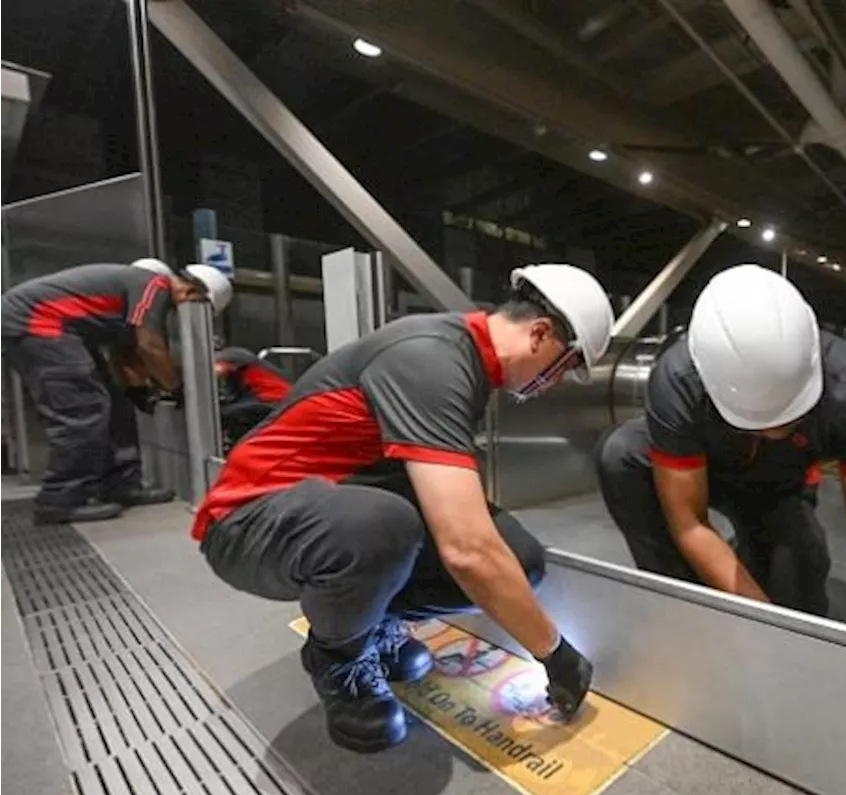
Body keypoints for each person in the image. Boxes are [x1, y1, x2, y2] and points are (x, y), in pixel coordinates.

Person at [192, 264, 615, 753]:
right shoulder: (433, 361)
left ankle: (372, 623)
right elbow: (467, 549)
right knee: (385, 527)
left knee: (519, 558)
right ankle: (338, 655)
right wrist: (554, 652)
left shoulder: (465, 362)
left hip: (324, 502)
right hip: (246, 520)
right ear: (540, 334)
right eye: (565, 365)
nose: (555, 382)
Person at [595, 264, 846, 632]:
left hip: (779, 486)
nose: (774, 429)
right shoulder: (677, 381)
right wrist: (760, 623)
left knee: (798, 586)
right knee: (620, 452)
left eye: (788, 416)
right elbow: (690, 523)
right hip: (701, 470)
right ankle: (682, 609)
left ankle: (753, 549)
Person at [0, 259, 233, 524]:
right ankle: (59, 500)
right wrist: (177, 387)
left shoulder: (133, 295)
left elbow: (123, 354)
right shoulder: (154, 285)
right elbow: (149, 346)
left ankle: (122, 483)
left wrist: (135, 391)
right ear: (192, 293)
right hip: (37, 321)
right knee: (83, 410)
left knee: (112, 401)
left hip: (55, 326)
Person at [212, 343, 293, 446]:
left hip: (270, 401)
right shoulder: (237, 374)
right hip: (264, 399)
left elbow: (220, 366)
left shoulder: (236, 354)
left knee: (222, 415)